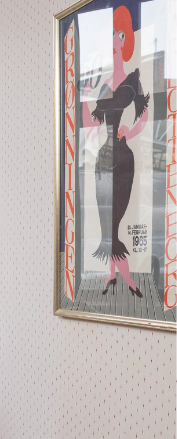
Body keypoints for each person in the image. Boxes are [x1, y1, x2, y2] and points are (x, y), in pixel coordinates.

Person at [82, 5, 149, 297]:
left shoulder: (132, 80)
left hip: (124, 159)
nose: (110, 40)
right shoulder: (104, 86)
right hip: (102, 160)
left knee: (117, 220)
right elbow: (90, 126)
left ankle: (126, 278)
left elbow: (144, 115)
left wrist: (130, 130)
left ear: (123, 38)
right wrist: (84, 97)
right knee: (106, 224)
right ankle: (116, 276)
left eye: (113, 34)